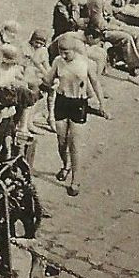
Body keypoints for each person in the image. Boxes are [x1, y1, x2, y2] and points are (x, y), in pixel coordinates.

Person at [50, 38, 104, 196]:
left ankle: (75, 180)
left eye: (66, 53)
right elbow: (48, 79)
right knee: (61, 141)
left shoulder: (85, 63)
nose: (64, 55)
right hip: (61, 101)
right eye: (61, 52)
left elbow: (95, 83)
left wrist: (101, 104)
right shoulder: (58, 61)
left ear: (74, 51)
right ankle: (66, 165)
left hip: (78, 103)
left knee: (74, 144)